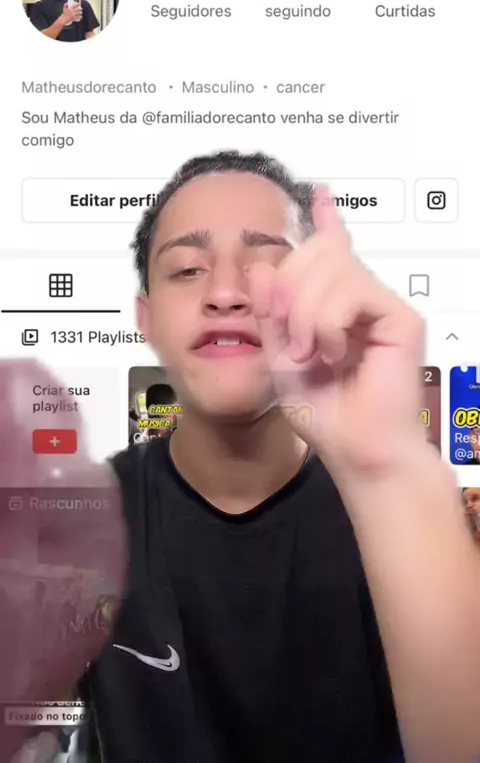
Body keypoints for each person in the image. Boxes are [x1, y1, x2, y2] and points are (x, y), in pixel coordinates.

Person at [2, 151, 480, 763]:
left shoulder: (415, 515)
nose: (226, 293)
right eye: (187, 270)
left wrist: (387, 468)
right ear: (147, 317)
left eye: (264, 266)